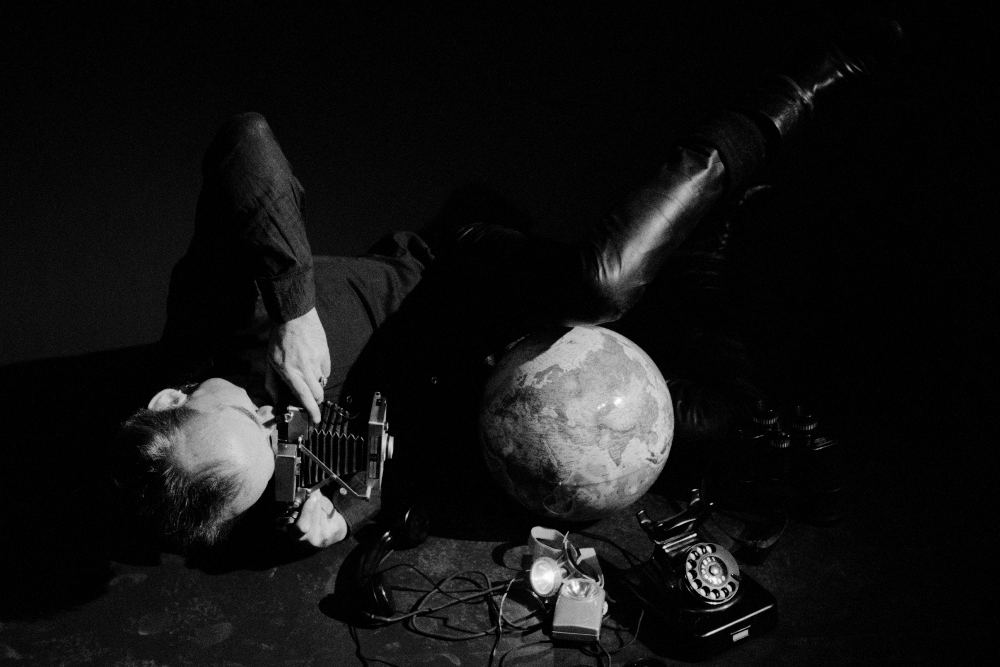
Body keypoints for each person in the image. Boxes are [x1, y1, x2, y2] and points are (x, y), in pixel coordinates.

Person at [113, 20, 902, 551]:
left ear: (170, 395)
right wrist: (344, 512)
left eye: (247, 416)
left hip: (454, 284)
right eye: (270, 445)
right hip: (480, 399)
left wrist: (294, 310)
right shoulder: (229, 488)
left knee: (602, 284)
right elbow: (383, 466)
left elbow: (245, 141)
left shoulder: (209, 313)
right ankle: (723, 226)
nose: (273, 421)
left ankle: (804, 85)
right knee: (703, 421)